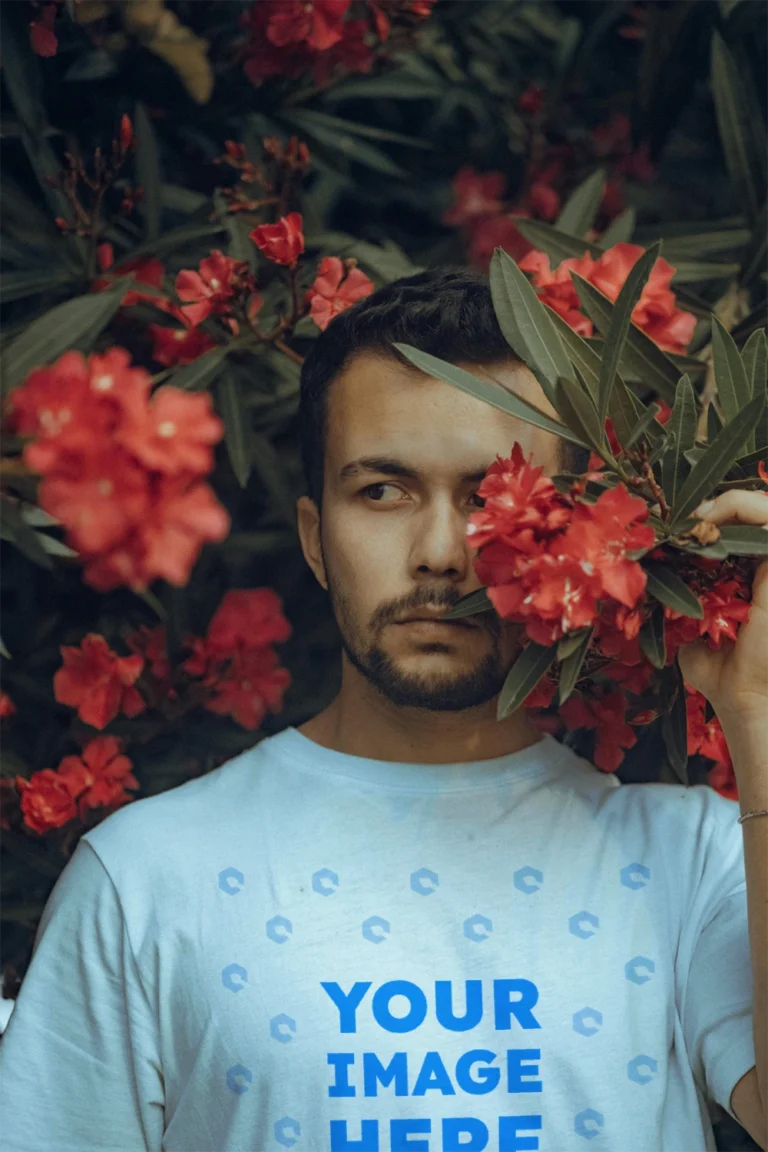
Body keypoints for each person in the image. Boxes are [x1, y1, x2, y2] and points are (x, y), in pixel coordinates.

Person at [0, 266, 759, 1151]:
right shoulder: (145, 880)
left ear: (575, 533)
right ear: (316, 540)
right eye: (382, 492)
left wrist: (759, 710)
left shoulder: (696, 863)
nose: (440, 554)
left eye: (489, 497)